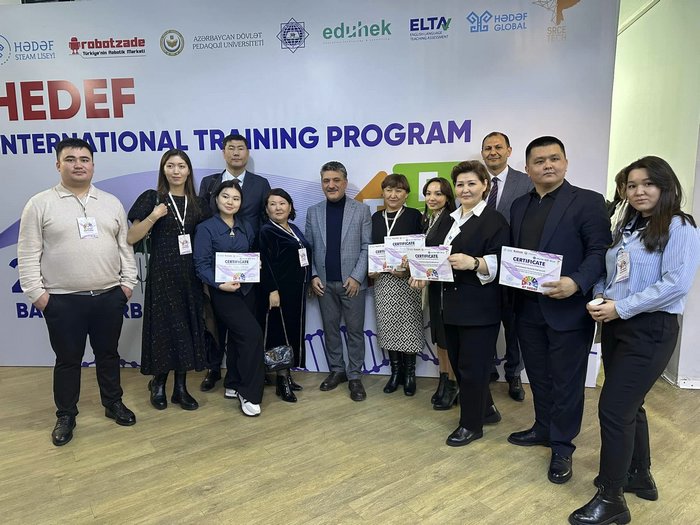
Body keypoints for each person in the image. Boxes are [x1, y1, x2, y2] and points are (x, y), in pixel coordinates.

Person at [569, 157, 700, 525]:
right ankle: (639, 475)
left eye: (648, 184)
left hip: (651, 329)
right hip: (617, 325)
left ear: (665, 186)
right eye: (631, 185)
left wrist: (621, 307)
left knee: (613, 410)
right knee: (630, 406)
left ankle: (611, 499)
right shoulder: (627, 226)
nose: (639, 191)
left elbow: (675, 284)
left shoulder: (680, 226)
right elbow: (612, 273)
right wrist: (600, 295)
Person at [17, 138, 138, 446]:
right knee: (68, 360)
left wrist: (127, 285)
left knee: (108, 354)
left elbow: (125, 247)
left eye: (84, 159)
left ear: (93, 165)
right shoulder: (40, 203)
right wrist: (38, 296)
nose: (78, 165)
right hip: (62, 301)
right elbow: (28, 253)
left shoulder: (110, 202)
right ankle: (66, 415)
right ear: (58, 165)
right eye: (70, 159)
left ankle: (113, 403)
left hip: (109, 296)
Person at [508, 136, 611, 483]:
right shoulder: (519, 205)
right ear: (527, 169)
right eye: (539, 161)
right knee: (538, 376)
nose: (547, 165)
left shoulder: (588, 201)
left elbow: (600, 251)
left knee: (567, 382)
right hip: (527, 308)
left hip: (568, 309)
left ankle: (562, 446)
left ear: (566, 163)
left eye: (554, 158)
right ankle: (542, 427)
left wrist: (577, 283)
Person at [413, 161, 509, 446]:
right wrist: (422, 272)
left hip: (478, 308)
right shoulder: (450, 219)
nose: (465, 189)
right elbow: (435, 256)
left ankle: (471, 425)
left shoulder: (495, 220)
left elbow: (504, 262)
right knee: (460, 364)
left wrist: (475, 262)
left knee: (472, 368)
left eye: (471, 183)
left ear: (485, 186)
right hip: (448, 306)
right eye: (460, 184)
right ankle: (487, 410)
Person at [127, 149, 209, 411]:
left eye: (181, 166)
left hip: (190, 276)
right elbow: (131, 237)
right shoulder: (152, 198)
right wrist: (153, 216)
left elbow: (208, 239)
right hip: (162, 275)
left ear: (188, 170)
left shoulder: (199, 203)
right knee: (163, 330)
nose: (176, 171)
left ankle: (180, 389)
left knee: (186, 330)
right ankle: (159, 383)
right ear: (163, 170)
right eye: (170, 165)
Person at [198, 134, 271, 392]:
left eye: (241, 148)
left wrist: (257, 262)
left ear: (247, 153)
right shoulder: (209, 183)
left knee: (245, 327)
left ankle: (238, 375)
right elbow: (203, 219)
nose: (236, 153)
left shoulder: (260, 184)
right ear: (224, 152)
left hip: (247, 266)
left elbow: (264, 222)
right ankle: (213, 369)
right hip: (216, 268)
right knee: (215, 325)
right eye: (231, 148)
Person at [193, 180, 265, 417]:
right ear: (216, 199)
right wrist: (219, 284)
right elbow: (201, 265)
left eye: (236, 198)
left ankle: (233, 383)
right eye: (225, 196)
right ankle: (249, 392)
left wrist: (255, 264)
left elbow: (251, 254)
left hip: (247, 290)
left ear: (241, 203)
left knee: (237, 339)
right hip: (223, 292)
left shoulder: (246, 226)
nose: (230, 202)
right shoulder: (206, 228)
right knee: (252, 335)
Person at [305, 161, 372, 401]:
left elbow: (367, 246)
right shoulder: (313, 211)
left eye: (336, 180)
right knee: (330, 330)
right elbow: (308, 249)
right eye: (326, 181)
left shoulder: (361, 210)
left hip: (352, 284)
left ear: (345, 182)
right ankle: (337, 370)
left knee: (355, 331)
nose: (331, 185)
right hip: (323, 284)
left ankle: (354, 376)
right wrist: (313, 275)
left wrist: (356, 277)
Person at [481, 131, 533, 401]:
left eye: (498, 147)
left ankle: (514, 374)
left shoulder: (526, 182)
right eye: (488, 148)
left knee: (514, 324)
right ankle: (487, 367)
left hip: (514, 267)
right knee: (483, 321)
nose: (493, 152)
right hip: (481, 267)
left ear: (509, 151)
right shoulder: (475, 182)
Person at [369, 174, 424, 396]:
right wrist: (371, 270)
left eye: (399, 190)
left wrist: (409, 268)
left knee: (410, 326)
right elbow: (369, 248)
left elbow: (422, 250)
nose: (393, 195)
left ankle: (410, 374)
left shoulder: (414, 216)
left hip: (408, 282)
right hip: (383, 282)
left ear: (406, 194)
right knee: (388, 326)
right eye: (389, 190)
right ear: (383, 192)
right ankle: (395, 372)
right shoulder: (375, 217)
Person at [259, 188, 312, 403]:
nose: (278, 208)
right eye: (272, 204)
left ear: (290, 207)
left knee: (291, 333)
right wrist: (272, 290)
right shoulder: (266, 231)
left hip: (296, 292)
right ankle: (281, 382)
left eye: (282, 203)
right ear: (266, 209)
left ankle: (288, 375)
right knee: (279, 334)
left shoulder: (293, 228)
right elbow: (264, 263)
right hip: (279, 293)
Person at [421, 177, 459, 409]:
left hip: (447, 288)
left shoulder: (451, 220)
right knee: (439, 338)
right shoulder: (428, 219)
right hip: (434, 286)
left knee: (447, 339)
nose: (432, 198)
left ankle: (453, 384)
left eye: (438, 193)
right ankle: (443, 379)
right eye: (428, 193)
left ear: (447, 197)